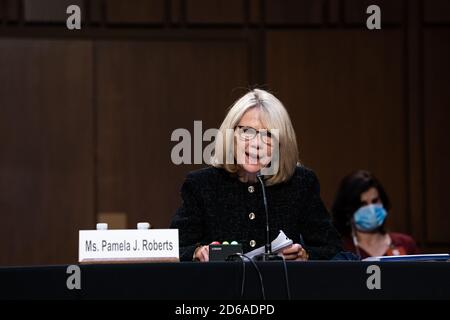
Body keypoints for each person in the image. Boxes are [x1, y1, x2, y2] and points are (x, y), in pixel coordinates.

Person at [170, 89, 342, 261]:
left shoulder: (301, 182)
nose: (256, 144)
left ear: (281, 143)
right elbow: (174, 247)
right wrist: (197, 252)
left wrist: (306, 255)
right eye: (247, 131)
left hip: (281, 286)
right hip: (221, 286)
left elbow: (331, 247)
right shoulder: (201, 185)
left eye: (268, 135)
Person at [331, 170, 419, 259]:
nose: (371, 209)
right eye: (363, 204)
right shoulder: (339, 249)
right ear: (347, 209)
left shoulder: (405, 243)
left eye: (375, 201)